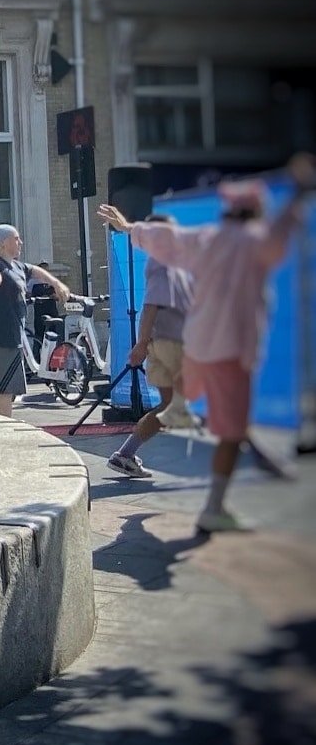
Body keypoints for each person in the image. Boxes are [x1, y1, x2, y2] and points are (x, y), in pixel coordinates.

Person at [97, 152, 314, 533]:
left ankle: (254, 456)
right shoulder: (252, 241)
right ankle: (214, 504)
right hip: (225, 351)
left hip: (198, 348)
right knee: (216, 423)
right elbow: (278, 236)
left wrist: (130, 227)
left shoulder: (207, 241)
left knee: (189, 411)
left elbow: (166, 239)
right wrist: (297, 193)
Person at [107, 215, 195, 478]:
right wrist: (141, 344)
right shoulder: (164, 265)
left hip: (169, 342)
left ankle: (125, 455)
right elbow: (150, 306)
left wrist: (125, 226)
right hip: (169, 345)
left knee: (170, 406)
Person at [0, 225, 70, 417]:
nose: (21, 242)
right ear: (2, 243)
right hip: (3, 335)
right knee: (5, 390)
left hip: (4, 335)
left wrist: (57, 283)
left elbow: (36, 271)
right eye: (16, 239)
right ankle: (2, 431)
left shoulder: (18, 267)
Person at [26, 261, 59, 346]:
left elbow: (58, 296)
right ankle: (37, 355)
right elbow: (28, 294)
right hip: (40, 311)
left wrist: (54, 296)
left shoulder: (52, 281)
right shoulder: (33, 281)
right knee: (39, 334)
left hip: (51, 310)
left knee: (54, 333)